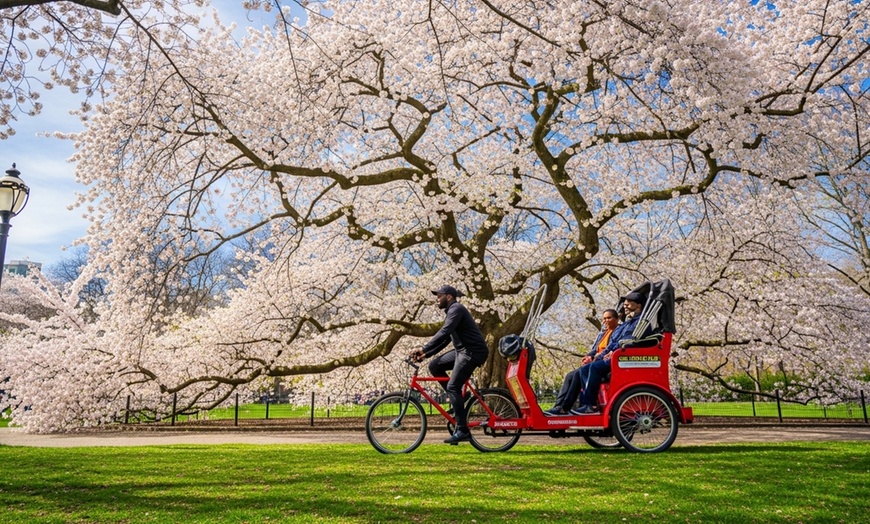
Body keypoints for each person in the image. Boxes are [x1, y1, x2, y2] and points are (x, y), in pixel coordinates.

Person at [410, 285, 489, 444]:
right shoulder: (451, 312)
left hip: (473, 351)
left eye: (439, 295)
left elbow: (444, 331)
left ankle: (462, 430)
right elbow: (446, 339)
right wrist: (425, 355)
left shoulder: (457, 309)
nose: (436, 298)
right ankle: (459, 398)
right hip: (462, 351)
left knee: (453, 386)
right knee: (434, 366)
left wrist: (423, 347)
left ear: (449, 296)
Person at [570, 291, 652, 414]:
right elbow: (615, 341)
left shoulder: (641, 322)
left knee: (595, 368)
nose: (625, 305)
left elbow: (633, 341)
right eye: (624, 303)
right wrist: (603, 354)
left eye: (629, 303)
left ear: (638, 305)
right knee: (585, 369)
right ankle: (587, 404)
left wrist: (615, 351)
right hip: (617, 354)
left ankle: (590, 405)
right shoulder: (627, 323)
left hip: (627, 356)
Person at [544, 309, 619, 415]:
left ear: (616, 319)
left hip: (604, 362)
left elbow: (609, 349)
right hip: (596, 360)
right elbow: (596, 349)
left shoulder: (617, 331)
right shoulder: (604, 333)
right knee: (570, 375)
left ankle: (566, 407)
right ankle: (559, 405)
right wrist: (588, 356)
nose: (606, 320)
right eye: (604, 318)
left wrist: (594, 358)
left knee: (578, 374)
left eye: (609, 318)